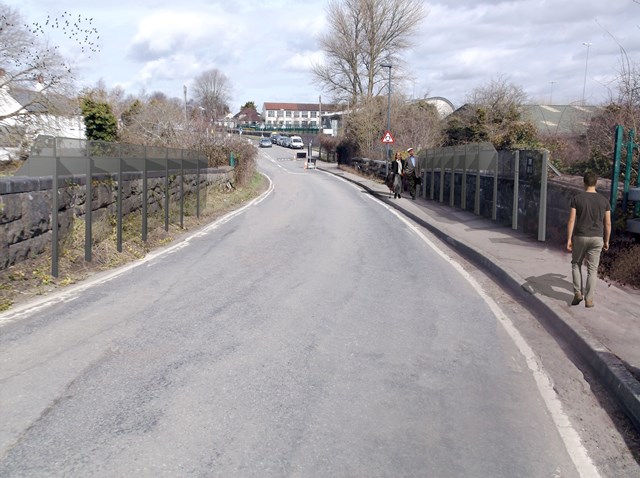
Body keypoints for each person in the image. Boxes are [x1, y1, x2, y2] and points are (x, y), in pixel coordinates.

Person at [566, 171, 611, 308]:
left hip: (580, 236)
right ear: (596, 183)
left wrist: (569, 239)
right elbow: (608, 223)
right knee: (592, 269)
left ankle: (578, 293)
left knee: (576, 264)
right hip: (597, 237)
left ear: (584, 182)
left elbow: (571, 220)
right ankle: (589, 299)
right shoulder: (604, 201)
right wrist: (606, 240)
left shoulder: (577, 199)